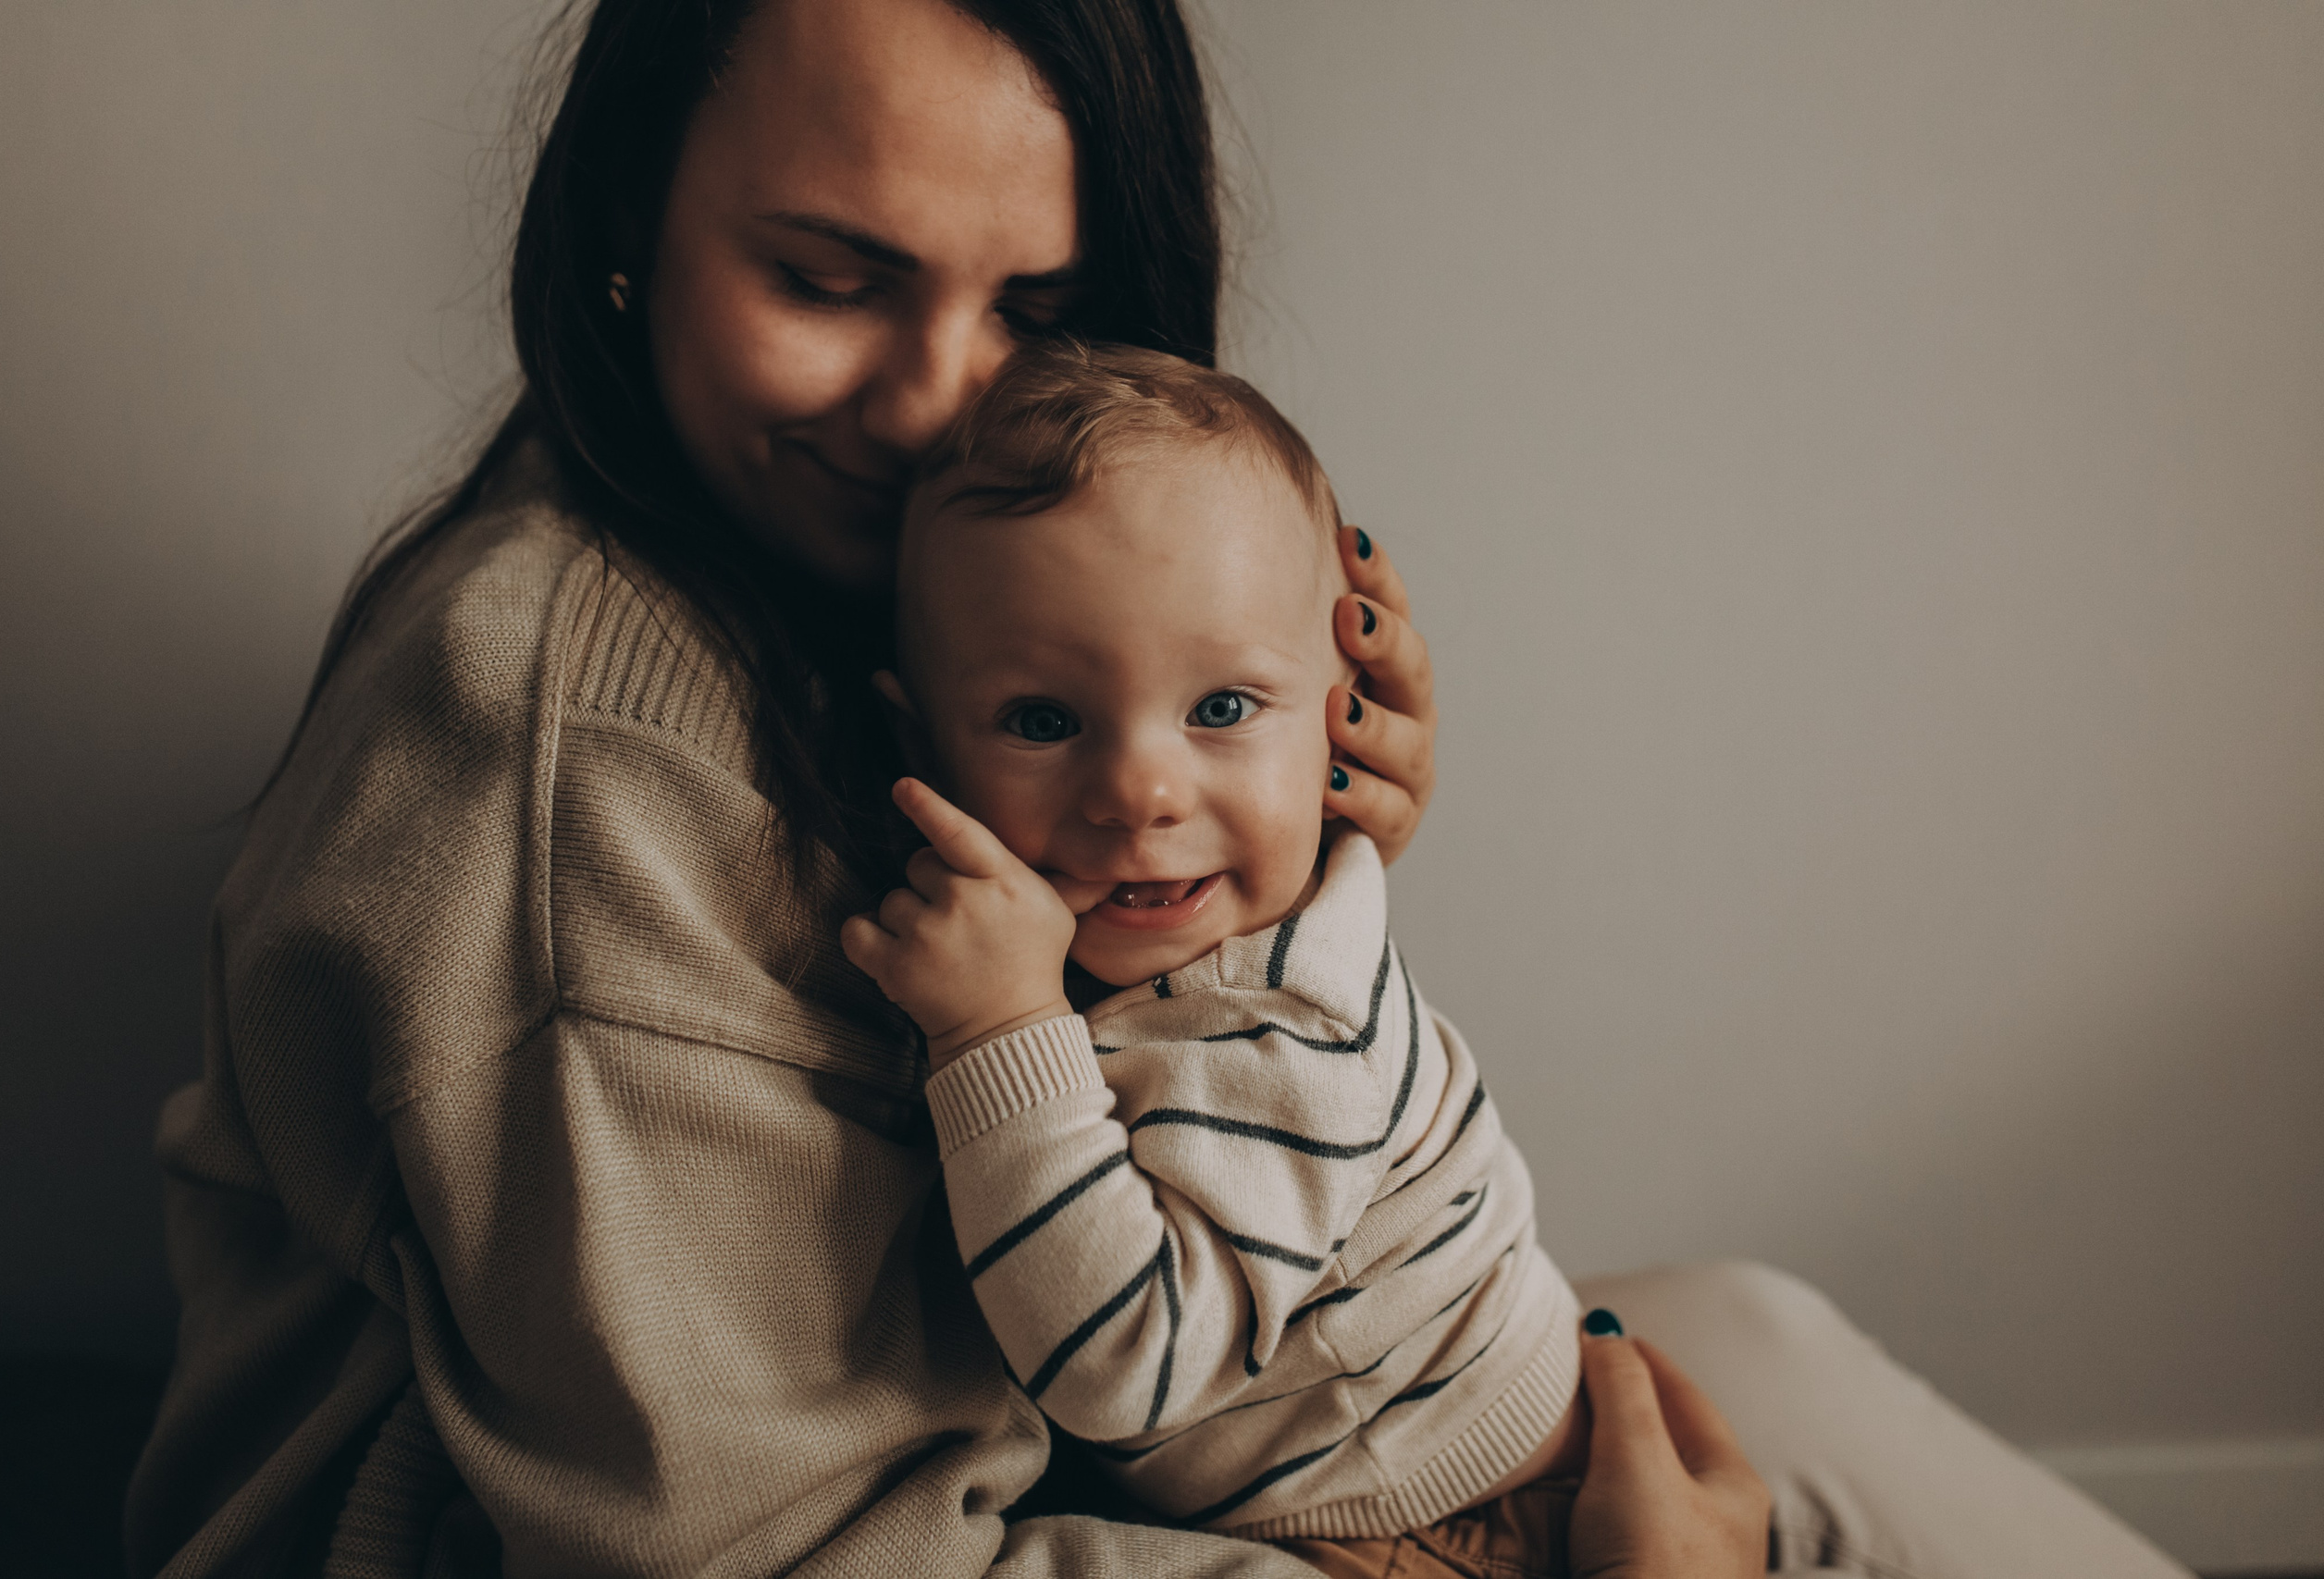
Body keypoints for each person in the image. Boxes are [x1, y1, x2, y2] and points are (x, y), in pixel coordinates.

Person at [119, 0, 2196, 1575]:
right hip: (878, 1515)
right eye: (829, 277)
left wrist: (1281, 874)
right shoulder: (571, 756)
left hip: (1099, 1404)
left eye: (1035, 303)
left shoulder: (838, 594)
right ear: (625, 238)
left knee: (1750, 1336)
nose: (946, 399)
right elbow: (802, 1547)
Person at [845, 342, 1589, 1557]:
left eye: (1224, 709)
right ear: (913, 741)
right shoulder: (1177, 937)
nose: (1141, 791)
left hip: (1435, 1514)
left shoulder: (1280, 1022)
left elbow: (1128, 1366)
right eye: (1043, 721)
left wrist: (995, 1032)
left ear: (1344, 704)